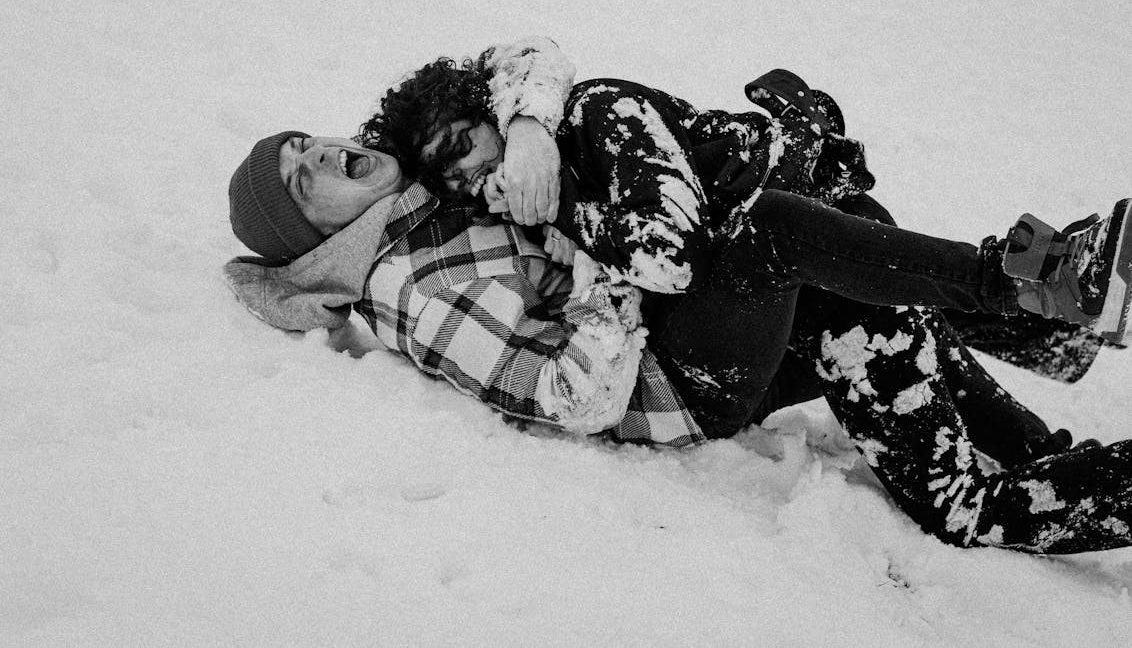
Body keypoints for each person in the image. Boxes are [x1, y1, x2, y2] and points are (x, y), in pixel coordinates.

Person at [225, 45, 1132, 554]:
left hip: (678, 323)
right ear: (322, 238)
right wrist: (601, 273)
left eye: (305, 143)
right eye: (302, 184)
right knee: (769, 234)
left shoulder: (423, 189)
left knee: (844, 283)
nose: (319, 157)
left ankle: (1053, 356)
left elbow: (518, 56)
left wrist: (535, 127)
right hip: (669, 385)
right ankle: (1031, 289)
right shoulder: (414, 287)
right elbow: (569, 396)